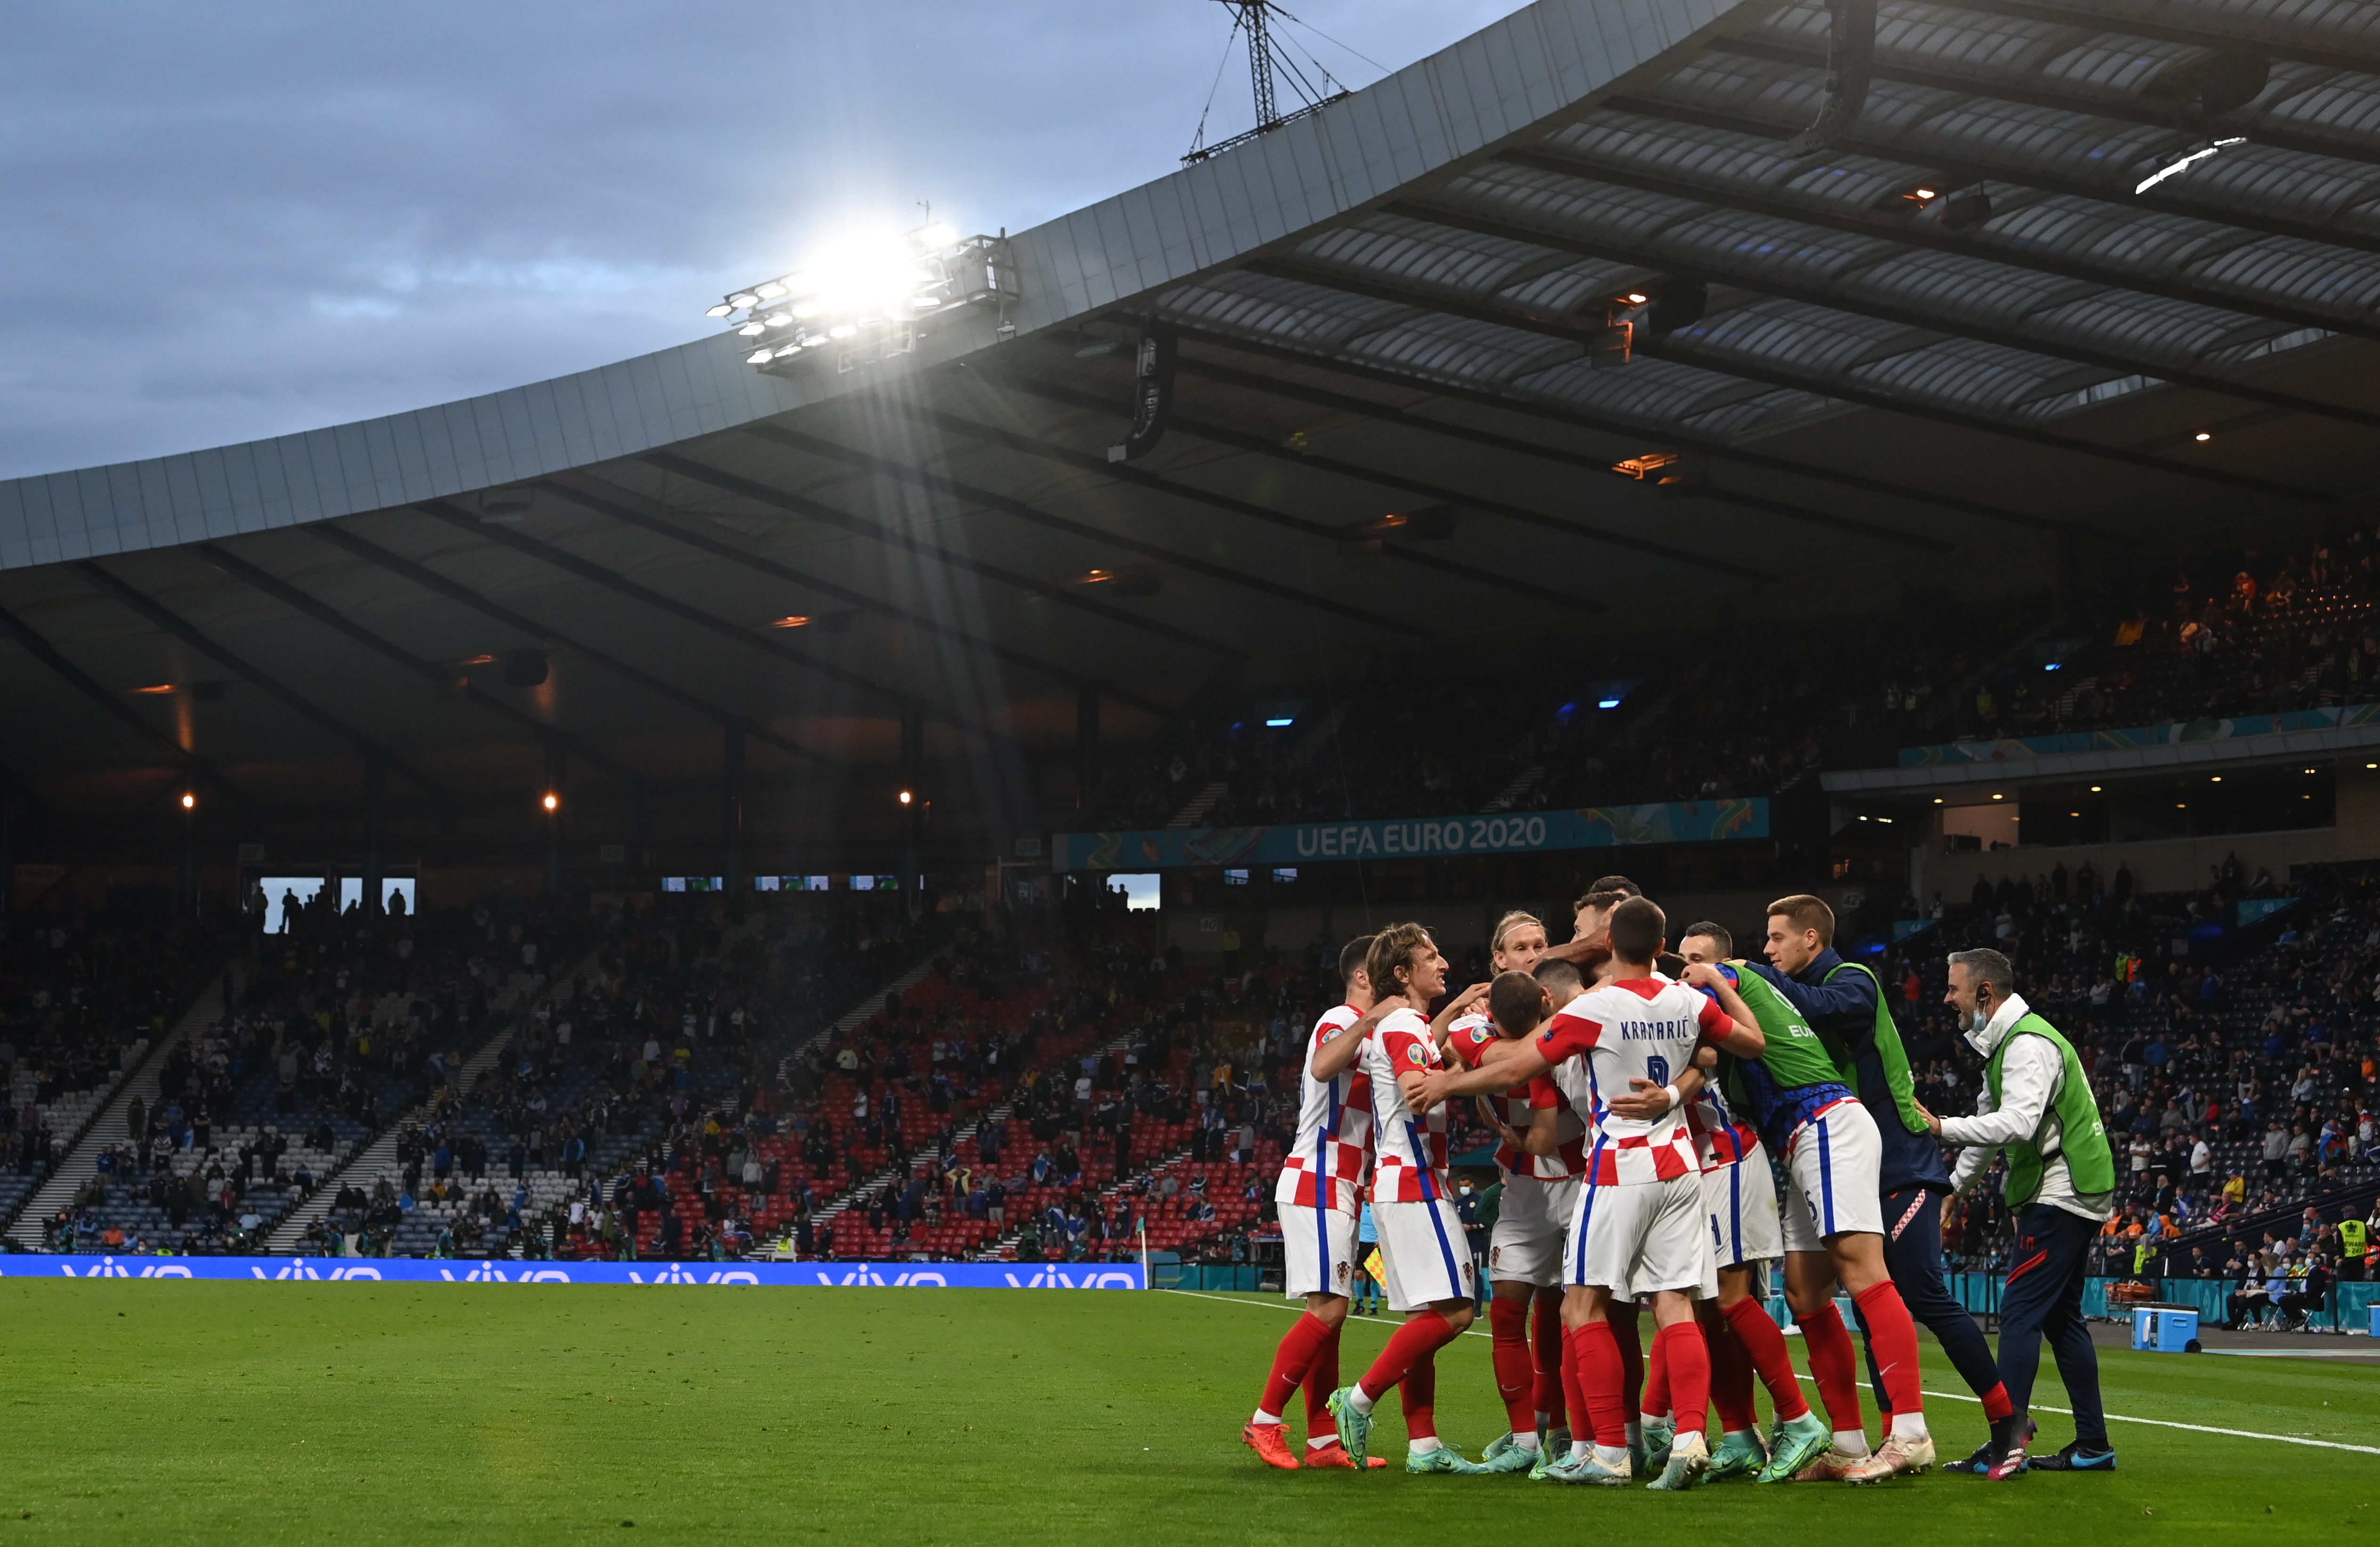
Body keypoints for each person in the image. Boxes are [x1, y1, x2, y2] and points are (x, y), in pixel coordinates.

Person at [1415, 896, 1767, 1489]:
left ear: (1607, 946)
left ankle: (1609, 1451)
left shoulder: (1597, 1007)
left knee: (1582, 1307)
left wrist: (1448, 1084)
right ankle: (1688, 1436)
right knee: (1675, 1304)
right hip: (1680, 1166)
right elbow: (1752, 1043)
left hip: (1619, 1168)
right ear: (1661, 948)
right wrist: (1720, 985)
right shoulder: (1688, 1001)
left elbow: (1512, 1068)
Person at [1744, 894, 1971, 1481]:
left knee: (1867, 1273)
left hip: (1842, 1134)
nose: (1766, 950)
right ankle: (1846, 1444)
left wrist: (1746, 976)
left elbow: (1825, 1009)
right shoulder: (1758, 997)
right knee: (1802, 1291)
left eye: (1775, 939)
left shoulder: (1847, 980)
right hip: (1797, 1145)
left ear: (1810, 939)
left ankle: (1912, 1431)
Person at [1925, 947, 2117, 1478]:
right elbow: (1991, 1128)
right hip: (2072, 1187)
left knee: (2018, 1312)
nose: (1947, 999)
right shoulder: (2008, 1043)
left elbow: (2016, 1124)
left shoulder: (2026, 1044)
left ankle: (2005, 1438)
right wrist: (1952, 1189)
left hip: (2062, 1191)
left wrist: (1941, 1127)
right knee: (2061, 1319)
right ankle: (2093, 1445)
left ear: (1983, 994)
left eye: (1954, 989)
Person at [1671, 921, 1837, 1484]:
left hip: (1729, 1160)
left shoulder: (1718, 1010)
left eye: (1700, 962)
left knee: (1731, 1301)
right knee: (1703, 1311)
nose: (1687, 970)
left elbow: (1730, 1049)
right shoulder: (1683, 1011)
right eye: (1682, 960)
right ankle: (1739, 1434)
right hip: (1695, 1169)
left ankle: (1799, 1418)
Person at [1324, 923, 1483, 1475]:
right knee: (1459, 1311)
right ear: (1402, 973)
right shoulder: (1402, 1025)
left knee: (1425, 1317)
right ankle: (1359, 1400)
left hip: (1400, 1182)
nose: (1442, 963)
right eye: (1430, 956)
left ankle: (1423, 1445)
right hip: (1414, 1181)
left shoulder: (1403, 1025)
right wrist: (1475, 1062)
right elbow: (1418, 1090)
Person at [1439, 910, 1581, 1477]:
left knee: (1571, 1316)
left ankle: (1570, 1430)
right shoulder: (1476, 1025)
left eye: (1540, 944)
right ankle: (1526, 1436)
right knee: (1507, 1312)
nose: (1531, 953)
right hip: (1522, 1184)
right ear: (1498, 960)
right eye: (1519, 947)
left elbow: (1495, 1067)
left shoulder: (1580, 1008)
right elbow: (1491, 1061)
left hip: (1577, 1180)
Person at [1244, 934, 1383, 1472]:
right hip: (1319, 1181)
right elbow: (1326, 1066)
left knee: (1331, 1317)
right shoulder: (1339, 1019)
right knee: (1328, 1310)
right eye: (1386, 971)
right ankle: (1263, 1422)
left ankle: (1323, 1442)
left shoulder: (1371, 1033)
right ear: (1363, 977)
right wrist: (1377, 1018)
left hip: (1342, 1186)